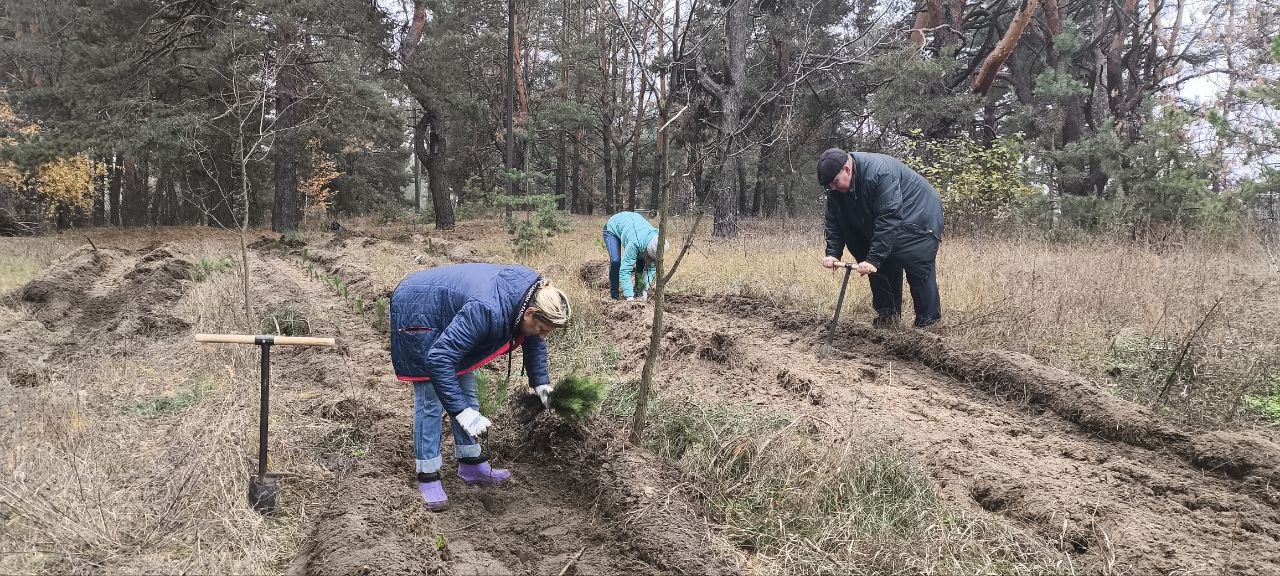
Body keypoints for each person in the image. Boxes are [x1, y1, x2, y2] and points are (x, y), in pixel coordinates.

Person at [390, 263, 572, 511]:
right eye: (542, 328)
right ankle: (428, 476)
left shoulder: (533, 294)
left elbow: (533, 337)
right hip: (419, 310)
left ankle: (471, 463)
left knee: (466, 388)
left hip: (451, 311)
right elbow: (439, 358)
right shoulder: (487, 309)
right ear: (530, 313)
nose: (542, 336)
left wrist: (541, 385)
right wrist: (463, 413)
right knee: (431, 397)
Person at [816, 148, 944, 328]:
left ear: (846, 169)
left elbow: (889, 218)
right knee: (877, 265)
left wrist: (873, 259)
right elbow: (835, 220)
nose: (833, 188)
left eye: (835, 182)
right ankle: (888, 318)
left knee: (917, 265)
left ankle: (928, 324)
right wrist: (833, 253)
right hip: (888, 216)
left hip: (920, 213)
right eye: (829, 185)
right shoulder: (837, 188)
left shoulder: (879, 173)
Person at [602, 211, 664, 301]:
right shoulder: (635, 243)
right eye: (649, 256)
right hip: (612, 228)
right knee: (616, 261)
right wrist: (629, 297)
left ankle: (638, 292)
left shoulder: (658, 243)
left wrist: (644, 290)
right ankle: (614, 296)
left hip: (634, 227)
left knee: (642, 262)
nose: (650, 259)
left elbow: (651, 269)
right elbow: (625, 270)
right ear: (647, 250)